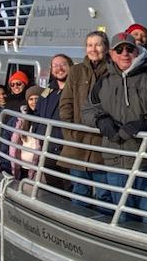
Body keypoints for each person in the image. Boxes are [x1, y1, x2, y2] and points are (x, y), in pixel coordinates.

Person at [81, 33, 147, 223]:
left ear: (137, 51)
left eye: (129, 49)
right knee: (122, 217)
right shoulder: (104, 81)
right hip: (115, 159)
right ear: (112, 54)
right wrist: (101, 120)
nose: (124, 53)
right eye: (119, 49)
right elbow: (87, 109)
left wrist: (145, 123)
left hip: (145, 160)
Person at [58, 31, 110, 203]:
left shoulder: (112, 70)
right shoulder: (76, 71)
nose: (93, 49)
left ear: (106, 47)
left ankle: (101, 227)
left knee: (104, 193)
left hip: (101, 144)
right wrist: (69, 131)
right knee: (79, 190)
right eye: (89, 45)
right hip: (77, 142)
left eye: (98, 44)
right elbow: (66, 103)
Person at [34, 54, 74, 190]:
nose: (59, 68)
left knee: (69, 187)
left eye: (63, 64)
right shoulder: (48, 90)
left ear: (70, 67)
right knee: (53, 185)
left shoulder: (76, 90)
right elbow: (38, 112)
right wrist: (37, 132)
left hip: (66, 148)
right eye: (55, 66)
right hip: (47, 147)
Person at [9, 85, 44, 180]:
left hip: (35, 168)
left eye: (37, 98)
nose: (34, 102)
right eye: (31, 99)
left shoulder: (44, 119)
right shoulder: (21, 119)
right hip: (20, 166)